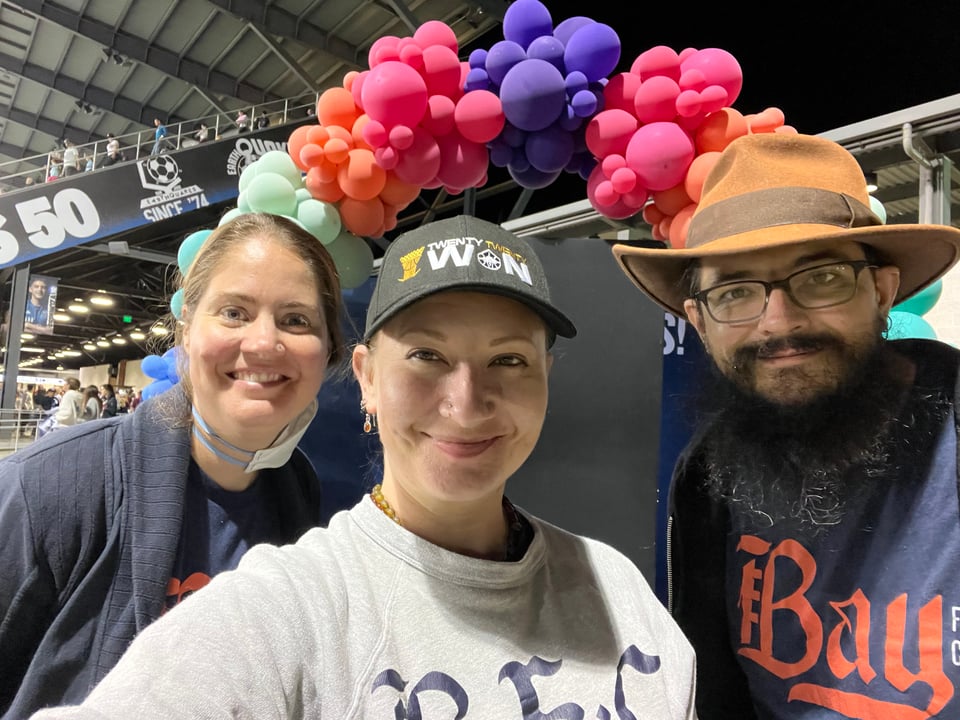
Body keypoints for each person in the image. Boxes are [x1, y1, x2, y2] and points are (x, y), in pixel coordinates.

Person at [29, 215, 697, 719]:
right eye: (427, 357)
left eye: (509, 360)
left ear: (546, 377)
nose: (465, 403)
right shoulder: (291, 608)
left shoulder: (619, 591)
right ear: (367, 380)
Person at [611, 132, 960, 718]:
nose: (779, 322)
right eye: (736, 291)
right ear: (699, 321)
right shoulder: (707, 476)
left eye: (820, 277)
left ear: (881, 290)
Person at [1, 212, 349, 718]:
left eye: (296, 320)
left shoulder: (300, 492)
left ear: (328, 351)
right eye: (234, 312)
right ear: (186, 331)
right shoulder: (51, 486)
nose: (263, 342)